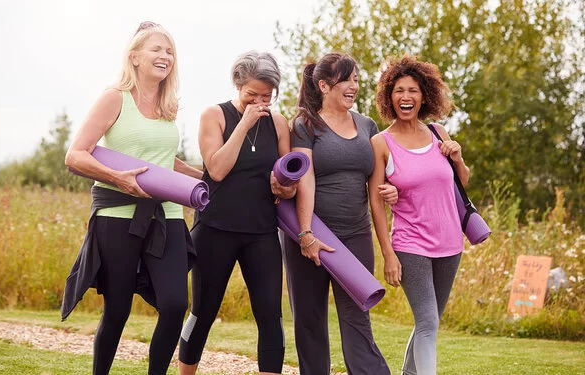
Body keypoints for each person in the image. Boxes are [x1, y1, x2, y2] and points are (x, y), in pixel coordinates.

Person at [61, 22, 202, 375]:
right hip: (117, 216)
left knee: (174, 304)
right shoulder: (115, 98)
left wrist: (207, 178)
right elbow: (76, 155)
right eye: (157, 49)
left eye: (170, 51)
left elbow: (164, 161)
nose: (165, 56)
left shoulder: (169, 107)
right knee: (118, 309)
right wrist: (116, 178)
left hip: (166, 215)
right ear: (135, 57)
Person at [178, 51, 296, 375]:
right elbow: (216, 169)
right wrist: (243, 123)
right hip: (215, 228)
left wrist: (286, 187)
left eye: (267, 96)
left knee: (270, 315)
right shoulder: (213, 115)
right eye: (252, 95)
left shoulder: (279, 123)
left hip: (261, 232)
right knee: (202, 312)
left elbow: (288, 179)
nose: (260, 102)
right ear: (238, 84)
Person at [281, 52, 396, 375]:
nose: (353, 86)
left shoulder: (367, 125)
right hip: (312, 235)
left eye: (356, 79)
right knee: (310, 319)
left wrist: (393, 190)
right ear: (323, 85)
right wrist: (306, 234)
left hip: (356, 235)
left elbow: (378, 183)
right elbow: (305, 178)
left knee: (357, 316)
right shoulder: (304, 125)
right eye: (346, 79)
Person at [368, 54, 469, 375]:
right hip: (410, 245)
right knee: (426, 321)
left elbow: (460, 184)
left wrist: (459, 158)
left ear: (424, 95)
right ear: (389, 97)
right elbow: (375, 203)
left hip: (451, 243)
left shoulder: (438, 133)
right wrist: (388, 254)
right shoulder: (381, 143)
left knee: (431, 321)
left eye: (412, 90)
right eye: (398, 90)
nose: (405, 97)